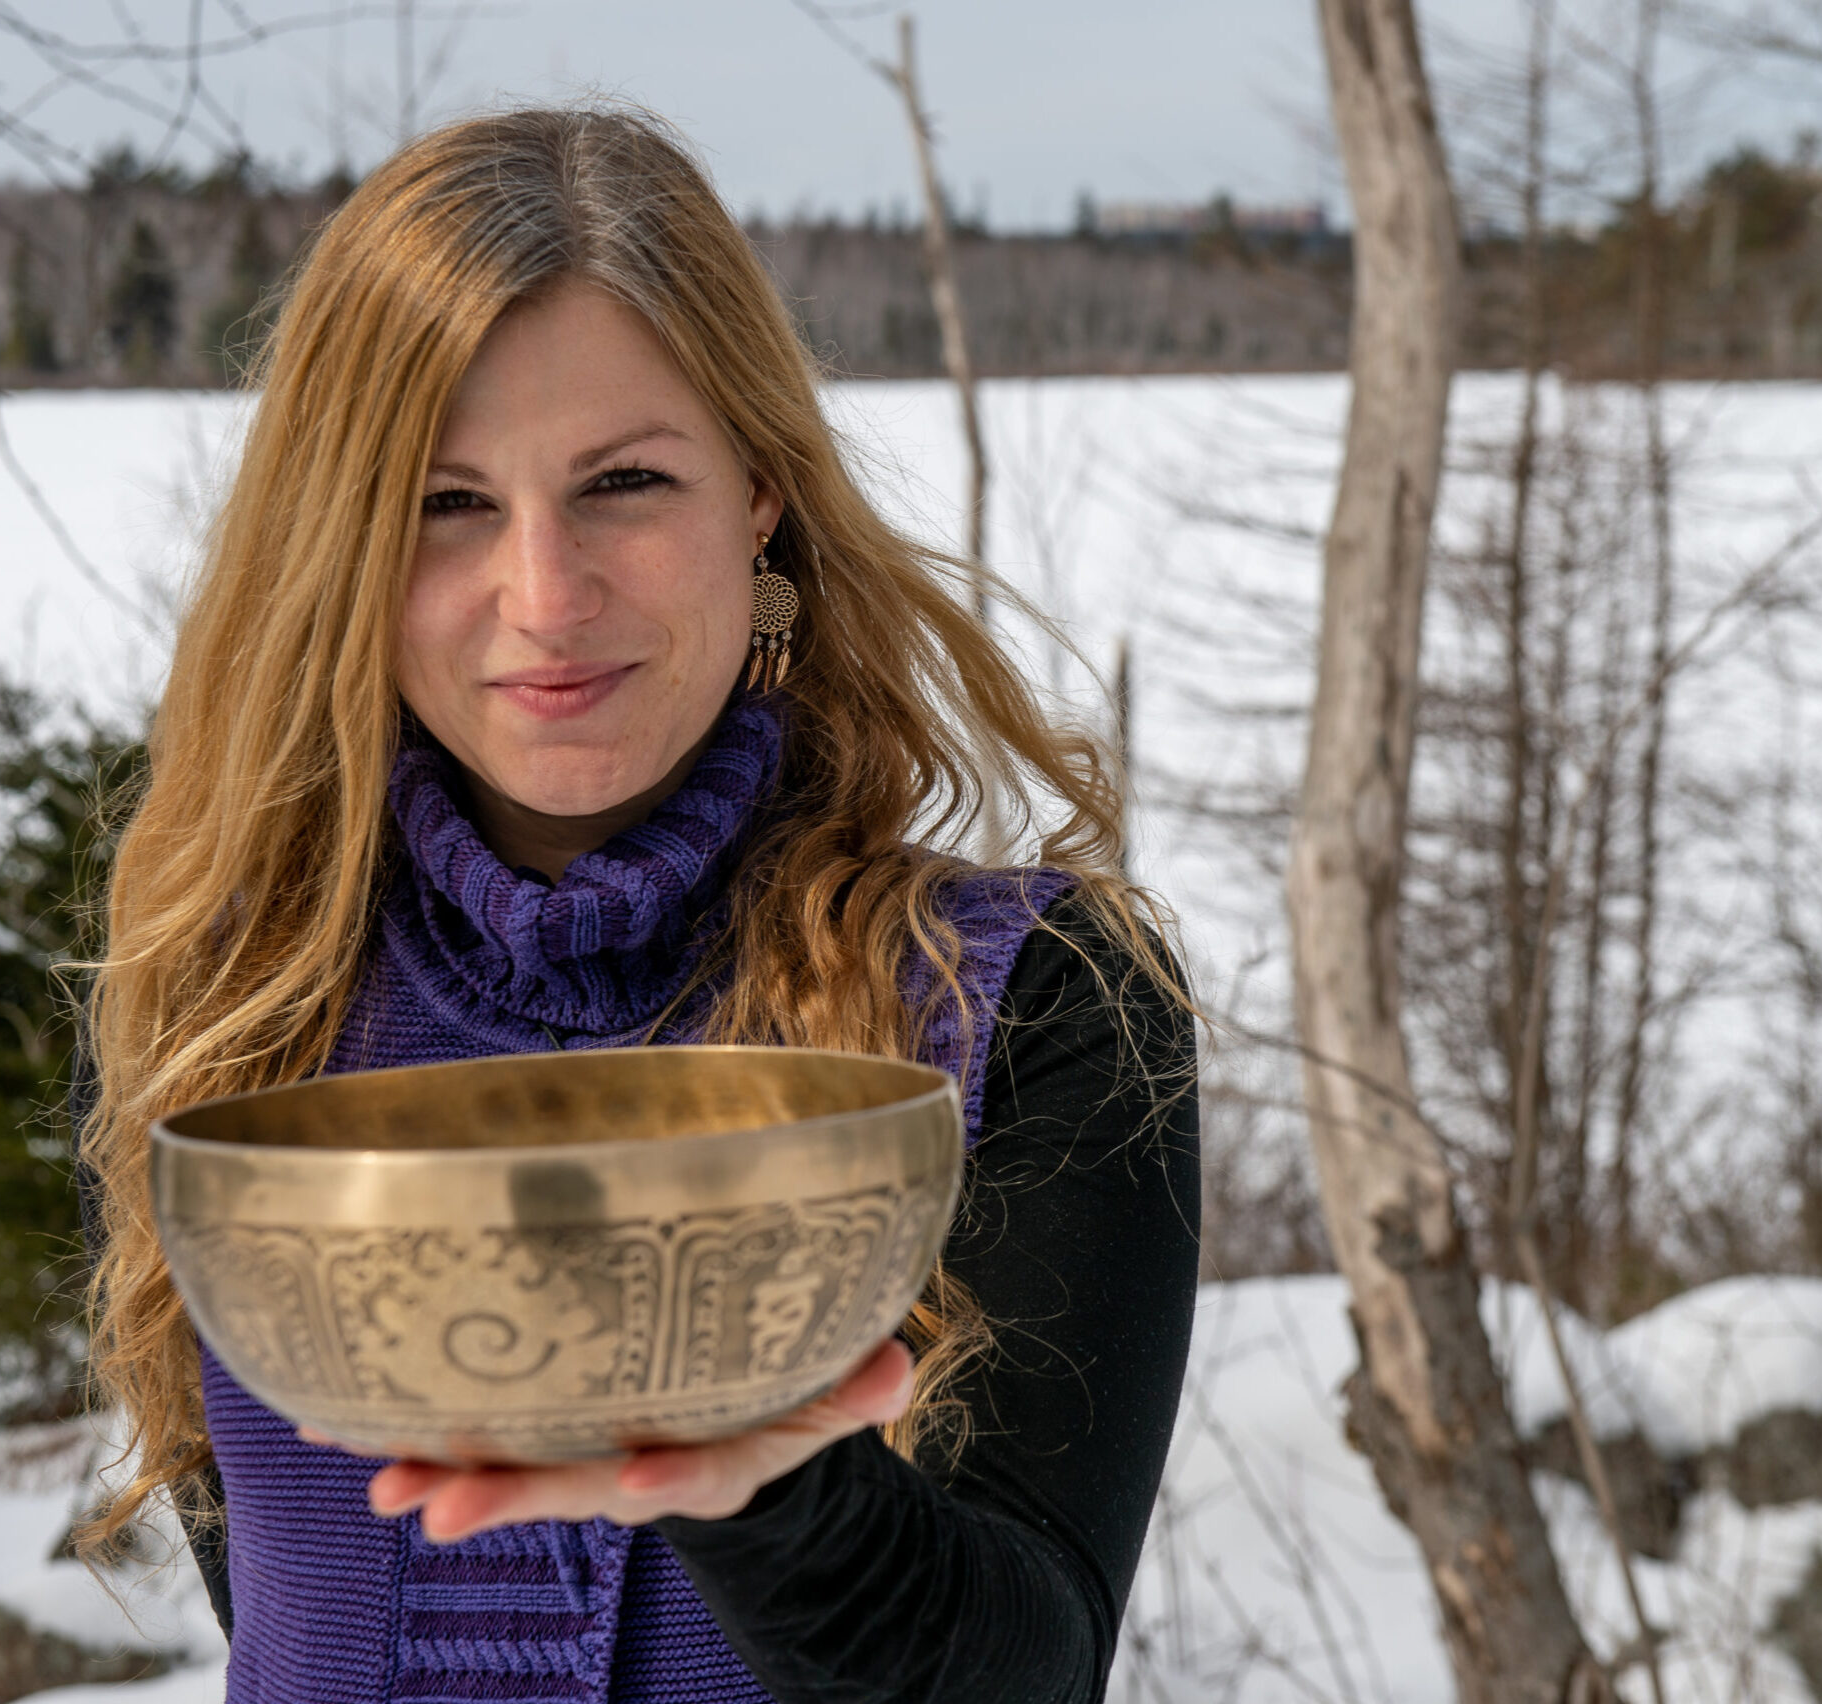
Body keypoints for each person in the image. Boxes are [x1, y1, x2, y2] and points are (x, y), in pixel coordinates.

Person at [74, 105, 1200, 1704]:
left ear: (759, 494)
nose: (545, 595)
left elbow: (1026, 1665)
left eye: (623, 481)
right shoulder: (217, 1004)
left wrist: (757, 1474)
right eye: (446, 503)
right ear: (339, 542)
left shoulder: (1021, 1000)